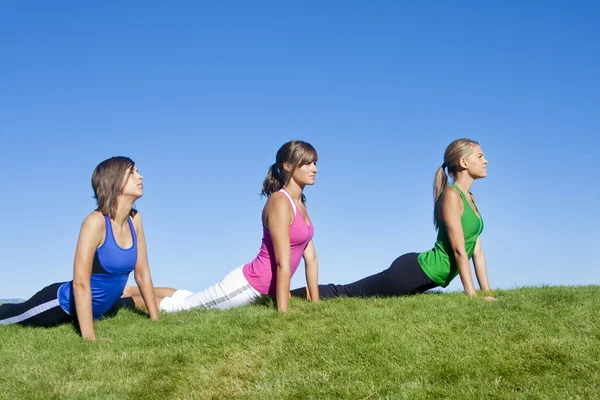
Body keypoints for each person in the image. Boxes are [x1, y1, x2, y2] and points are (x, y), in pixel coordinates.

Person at [124, 140, 320, 313]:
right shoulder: (280, 201)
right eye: (308, 164)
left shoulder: (300, 204)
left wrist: (317, 304)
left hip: (259, 287)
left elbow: (311, 258)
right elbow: (282, 263)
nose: (314, 169)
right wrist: (283, 313)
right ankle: (122, 303)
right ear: (288, 166)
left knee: (188, 297)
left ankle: (131, 290)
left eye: (315, 163)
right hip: (250, 285)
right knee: (179, 308)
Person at [291, 138, 497, 301]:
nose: (485, 160)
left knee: (352, 292)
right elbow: (460, 250)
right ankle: (286, 296)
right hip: (414, 271)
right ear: (464, 162)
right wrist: (472, 296)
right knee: (346, 292)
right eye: (479, 156)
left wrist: (486, 292)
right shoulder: (452, 195)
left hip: (423, 276)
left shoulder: (470, 198)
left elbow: (476, 249)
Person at [0, 157, 159, 339]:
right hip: (60, 303)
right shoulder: (95, 223)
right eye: (132, 172)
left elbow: (142, 273)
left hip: (100, 307)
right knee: (7, 316)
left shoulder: (135, 219)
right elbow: (80, 283)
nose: (140, 176)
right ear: (114, 182)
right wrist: (90, 338)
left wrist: (155, 319)